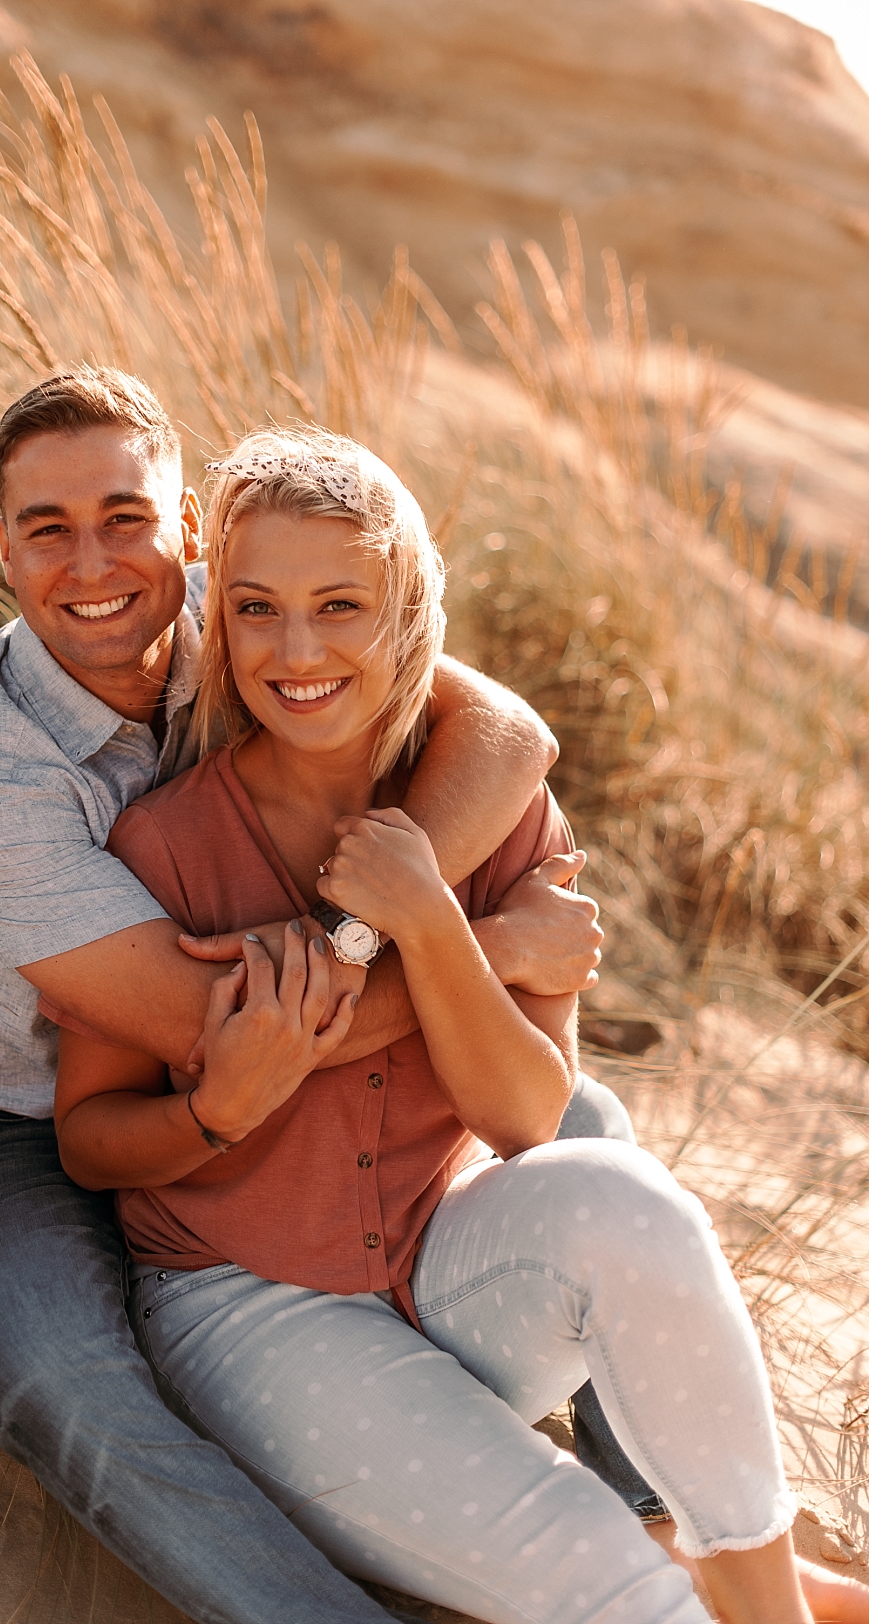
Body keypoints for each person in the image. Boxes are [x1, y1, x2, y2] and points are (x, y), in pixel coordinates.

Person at [52, 427, 869, 1624]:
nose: (297, 649)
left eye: (341, 604)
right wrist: (215, 1111)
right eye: (256, 607)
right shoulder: (162, 844)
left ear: (408, 611)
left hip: (447, 1270)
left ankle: (768, 1603)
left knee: (627, 1196)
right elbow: (88, 1139)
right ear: (215, 621)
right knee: (622, 1597)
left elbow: (532, 1115)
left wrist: (430, 918)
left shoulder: (504, 813)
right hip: (244, 1307)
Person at [0, 369, 608, 1624]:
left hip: (246, 1095)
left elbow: (503, 730)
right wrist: (478, 944)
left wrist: (398, 935)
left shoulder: (250, 612)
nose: (92, 561)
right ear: (1, 547)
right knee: (70, 1389)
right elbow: (220, 1034)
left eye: (126, 516)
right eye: (45, 528)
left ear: (189, 530)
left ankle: (665, 1522)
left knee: (590, 1135)